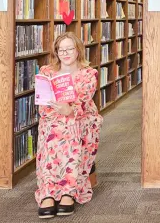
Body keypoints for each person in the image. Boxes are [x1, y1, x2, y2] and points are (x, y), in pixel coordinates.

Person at [35, 32, 102, 218]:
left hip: (81, 117)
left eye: (69, 49)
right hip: (53, 117)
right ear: (56, 52)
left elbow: (83, 102)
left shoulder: (88, 74)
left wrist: (70, 112)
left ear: (78, 50)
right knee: (53, 128)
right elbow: (42, 103)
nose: (65, 53)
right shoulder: (46, 72)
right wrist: (59, 112)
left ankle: (68, 191)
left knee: (70, 128)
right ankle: (48, 190)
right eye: (60, 49)